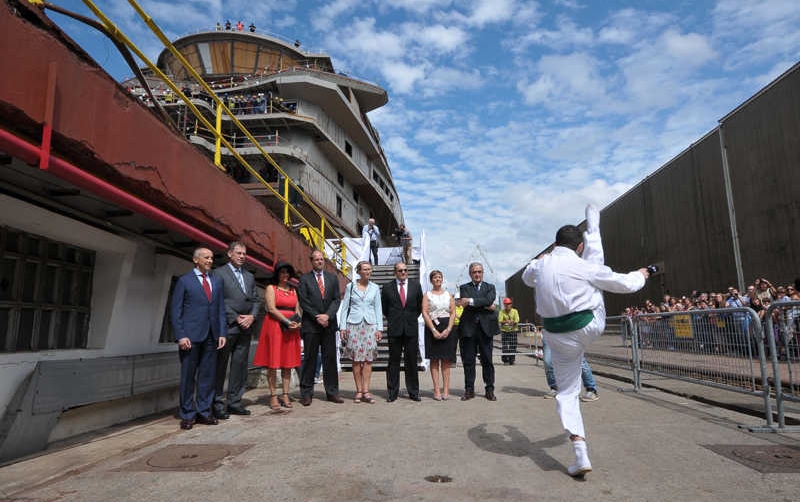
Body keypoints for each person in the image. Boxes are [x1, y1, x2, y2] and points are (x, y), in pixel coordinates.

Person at [522, 205, 648, 477]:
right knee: (598, 273)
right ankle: (595, 232)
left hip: (556, 335)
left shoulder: (540, 264)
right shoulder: (583, 265)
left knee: (567, 392)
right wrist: (643, 274)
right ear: (579, 247)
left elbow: (526, 277)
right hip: (590, 325)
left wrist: (540, 260)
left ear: (555, 244)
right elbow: (626, 284)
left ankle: (579, 449)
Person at [170, 247, 227, 430]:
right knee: (188, 376)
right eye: (206, 257)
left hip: (211, 336)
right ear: (196, 260)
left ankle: (204, 411)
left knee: (207, 376)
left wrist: (222, 333)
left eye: (211, 258)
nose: (210, 260)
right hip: (190, 337)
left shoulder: (216, 282)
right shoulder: (184, 281)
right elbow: (175, 310)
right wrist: (181, 335)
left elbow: (220, 310)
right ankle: (187, 414)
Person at [213, 242, 259, 419]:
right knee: (220, 366)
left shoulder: (249, 276)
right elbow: (217, 299)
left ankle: (234, 402)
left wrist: (252, 317)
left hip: (246, 328)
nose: (242, 256)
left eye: (244, 253)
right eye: (238, 253)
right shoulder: (219, 273)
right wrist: (235, 317)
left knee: (239, 366)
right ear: (230, 254)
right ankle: (216, 403)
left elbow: (256, 300)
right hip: (227, 327)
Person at [253, 261, 302, 410]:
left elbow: (298, 309)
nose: (285, 275)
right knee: (273, 363)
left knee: (288, 363)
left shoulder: (294, 290)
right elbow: (271, 309)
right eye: (282, 272)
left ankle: (285, 394)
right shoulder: (271, 288)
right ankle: (273, 395)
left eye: (287, 272)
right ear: (277, 274)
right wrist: (287, 322)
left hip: (291, 329)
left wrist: (298, 322)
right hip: (275, 326)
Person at [297, 250, 342, 405]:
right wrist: (318, 316)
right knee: (310, 359)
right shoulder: (304, 279)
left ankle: (332, 392)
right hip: (311, 325)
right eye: (316, 259)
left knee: (330, 359)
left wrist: (327, 316)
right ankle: (306, 393)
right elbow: (304, 302)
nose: (319, 262)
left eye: (321, 259)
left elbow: (336, 300)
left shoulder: (332, 278)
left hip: (329, 325)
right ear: (312, 261)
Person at [340, 261, 383, 403]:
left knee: (368, 360)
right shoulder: (350, 287)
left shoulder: (375, 288)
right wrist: (342, 327)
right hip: (354, 325)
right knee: (356, 360)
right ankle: (358, 390)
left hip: (370, 325)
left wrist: (379, 328)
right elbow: (345, 308)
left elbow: (378, 308)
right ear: (358, 271)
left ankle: (366, 390)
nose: (368, 272)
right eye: (365, 269)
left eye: (369, 269)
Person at [382, 262, 423, 402]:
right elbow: (384, 309)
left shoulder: (416, 286)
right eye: (400, 270)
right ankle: (392, 392)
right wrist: (396, 319)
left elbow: (419, 307)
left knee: (411, 361)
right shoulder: (387, 288)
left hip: (411, 328)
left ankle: (413, 391)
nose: (403, 272)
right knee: (393, 361)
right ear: (395, 272)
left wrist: (409, 318)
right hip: (395, 328)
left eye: (405, 270)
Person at [456, 263, 498, 401]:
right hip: (469, 329)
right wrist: (485, 305)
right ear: (470, 273)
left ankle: (490, 389)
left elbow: (489, 300)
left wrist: (471, 301)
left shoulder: (490, 287)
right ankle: (469, 390)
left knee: (487, 361)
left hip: (485, 329)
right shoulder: (464, 288)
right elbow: (484, 303)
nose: (477, 274)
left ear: (483, 272)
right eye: (474, 272)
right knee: (468, 361)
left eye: (479, 271)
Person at [422, 270, 457, 400]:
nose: (438, 279)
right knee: (434, 359)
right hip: (433, 327)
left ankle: (446, 390)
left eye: (440, 277)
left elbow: (453, 312)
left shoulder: (448, 294)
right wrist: (433, 330)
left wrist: (449, 329)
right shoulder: (427, 295)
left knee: (446, 360)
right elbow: (425, 312)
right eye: (435, 277)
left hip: (446, 325)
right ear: (431, 280)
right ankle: (436, 390)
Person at [498, 297, 520, 365]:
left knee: (513, 345)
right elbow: (500, 320)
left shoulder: (515, 311)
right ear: (504, 305)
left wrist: (512, 322)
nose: (508, 305)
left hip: (513, 330)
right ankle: (505, 360)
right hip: (504, 331)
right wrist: (506, 321)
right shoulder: (501, 311)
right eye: (506, 304)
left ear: (511, 304)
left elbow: (517, 320)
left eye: (509, 303)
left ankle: (512, 360)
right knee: (505, 346)